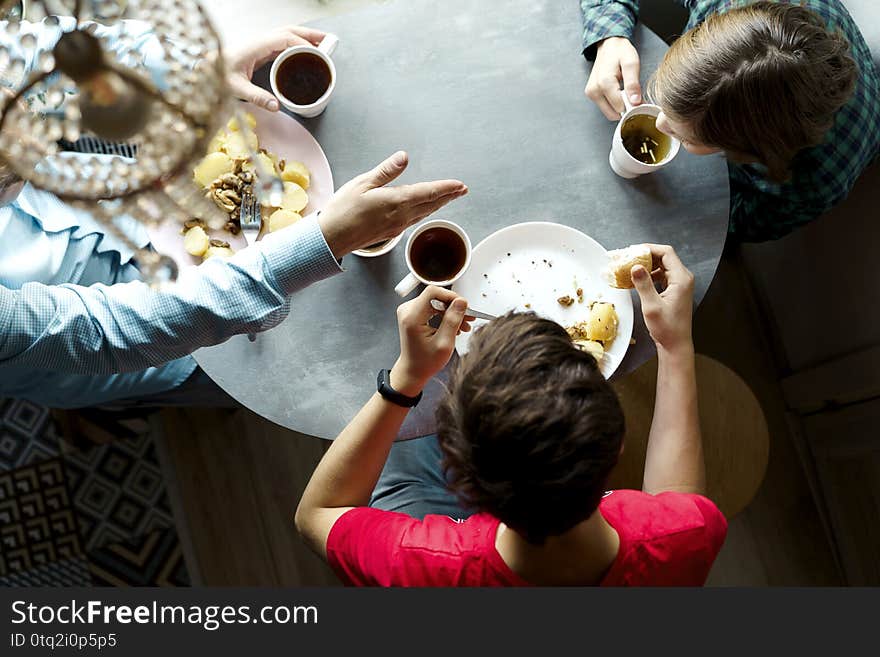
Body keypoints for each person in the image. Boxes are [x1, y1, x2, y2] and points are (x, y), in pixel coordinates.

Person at [0, 20, 467, 407]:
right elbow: (113, 332)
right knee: (225, 377)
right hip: (84, 346)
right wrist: (322, 242)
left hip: (115, 205)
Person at [295, 245, 728, 586]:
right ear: (617, 444)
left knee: (404, 453)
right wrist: (674, 346)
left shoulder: (424, 563)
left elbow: (316, 514)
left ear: (462, 481)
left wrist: (405, 381)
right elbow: (676, 506)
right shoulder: (687, 535)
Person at [581, 0, 880, 241]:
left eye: (687, 138)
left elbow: (739, 221)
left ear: (746, 152)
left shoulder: (814, 182)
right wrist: (611, 37)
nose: (660, 124)